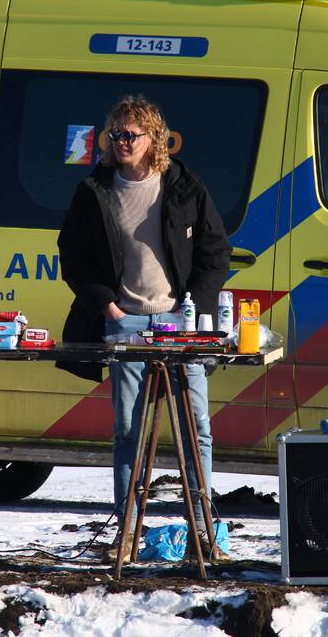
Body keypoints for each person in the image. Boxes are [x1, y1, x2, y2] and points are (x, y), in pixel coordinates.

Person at [57, 96, 232, 562]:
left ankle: (203, 531)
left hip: (180, 323)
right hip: (126, 322)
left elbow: (216, 252)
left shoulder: (185, 185)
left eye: (131, 134)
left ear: (154, 137)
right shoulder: (94, 189)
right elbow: (72, 255)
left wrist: (196, 307)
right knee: (128, 431)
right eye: (115, 134)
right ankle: (128, 532)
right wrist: (108, 307)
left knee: (196, 429)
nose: (122, 142)